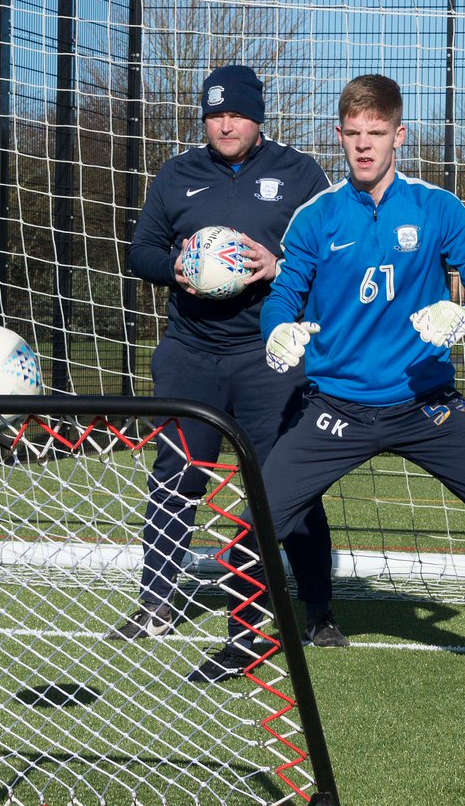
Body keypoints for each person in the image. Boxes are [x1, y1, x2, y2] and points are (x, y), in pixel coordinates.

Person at [189, 73, 465, 695]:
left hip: (425, 404)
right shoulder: (316, 218)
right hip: (337, 409)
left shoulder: (438, 208)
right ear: (339, 136)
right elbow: (284, 295)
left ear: (399, 136)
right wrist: (279, 331)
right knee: (256, 521)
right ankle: (242, 638)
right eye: (353, 134)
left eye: (376, 134)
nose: (364, 146)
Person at [108, 65, 346, 656]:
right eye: (214, 115)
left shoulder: (300, 174)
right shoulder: (177, 174)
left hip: (271, 355)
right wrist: (178, 268)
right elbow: (141, 251)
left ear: (257, 117)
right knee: (177, 473)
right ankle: (157, 602)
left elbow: (332, 255)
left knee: (287, 483)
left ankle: (317, 609)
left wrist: (279, 265)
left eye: (236, 114)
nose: (225, 124)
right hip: (190, 353)